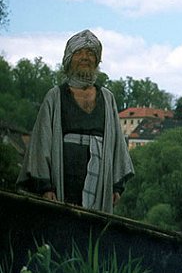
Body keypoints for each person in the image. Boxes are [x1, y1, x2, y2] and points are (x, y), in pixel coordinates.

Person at [17, 29, 134, 212]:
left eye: (90, 53)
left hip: (100, 176)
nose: (85, 57)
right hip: (63, 175)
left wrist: (116, 186)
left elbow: (118, 144)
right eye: (79, 53)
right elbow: (42, 142)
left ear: (97, 60)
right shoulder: (55, 96)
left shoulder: (107, 97)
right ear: (69, 59)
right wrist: (45, 186)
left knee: (93, 231)